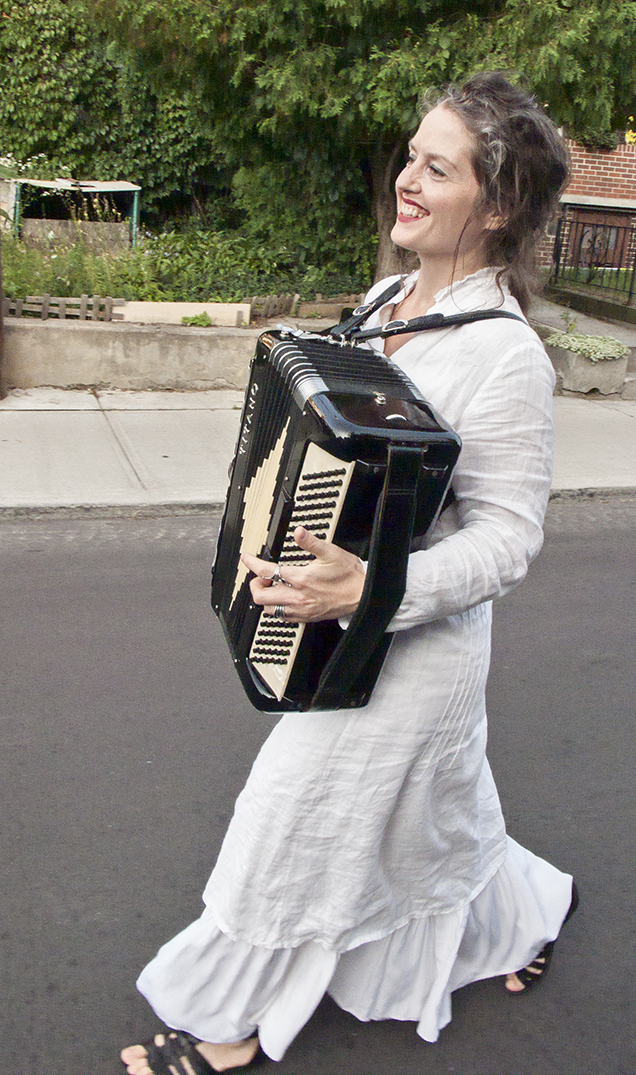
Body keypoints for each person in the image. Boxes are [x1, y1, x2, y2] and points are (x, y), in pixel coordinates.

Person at [121, 72, 577, 1075]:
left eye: (437, 167)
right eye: (411, 156)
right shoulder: (383, 302)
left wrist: (367, 591)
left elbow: (508, 540)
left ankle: (225, 1023)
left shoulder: (506, 357)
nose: (406, 180)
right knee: (439, 823)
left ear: (495, 207)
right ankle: (525, 911)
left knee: (288, 820)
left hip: (410, 653)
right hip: (346, 627)